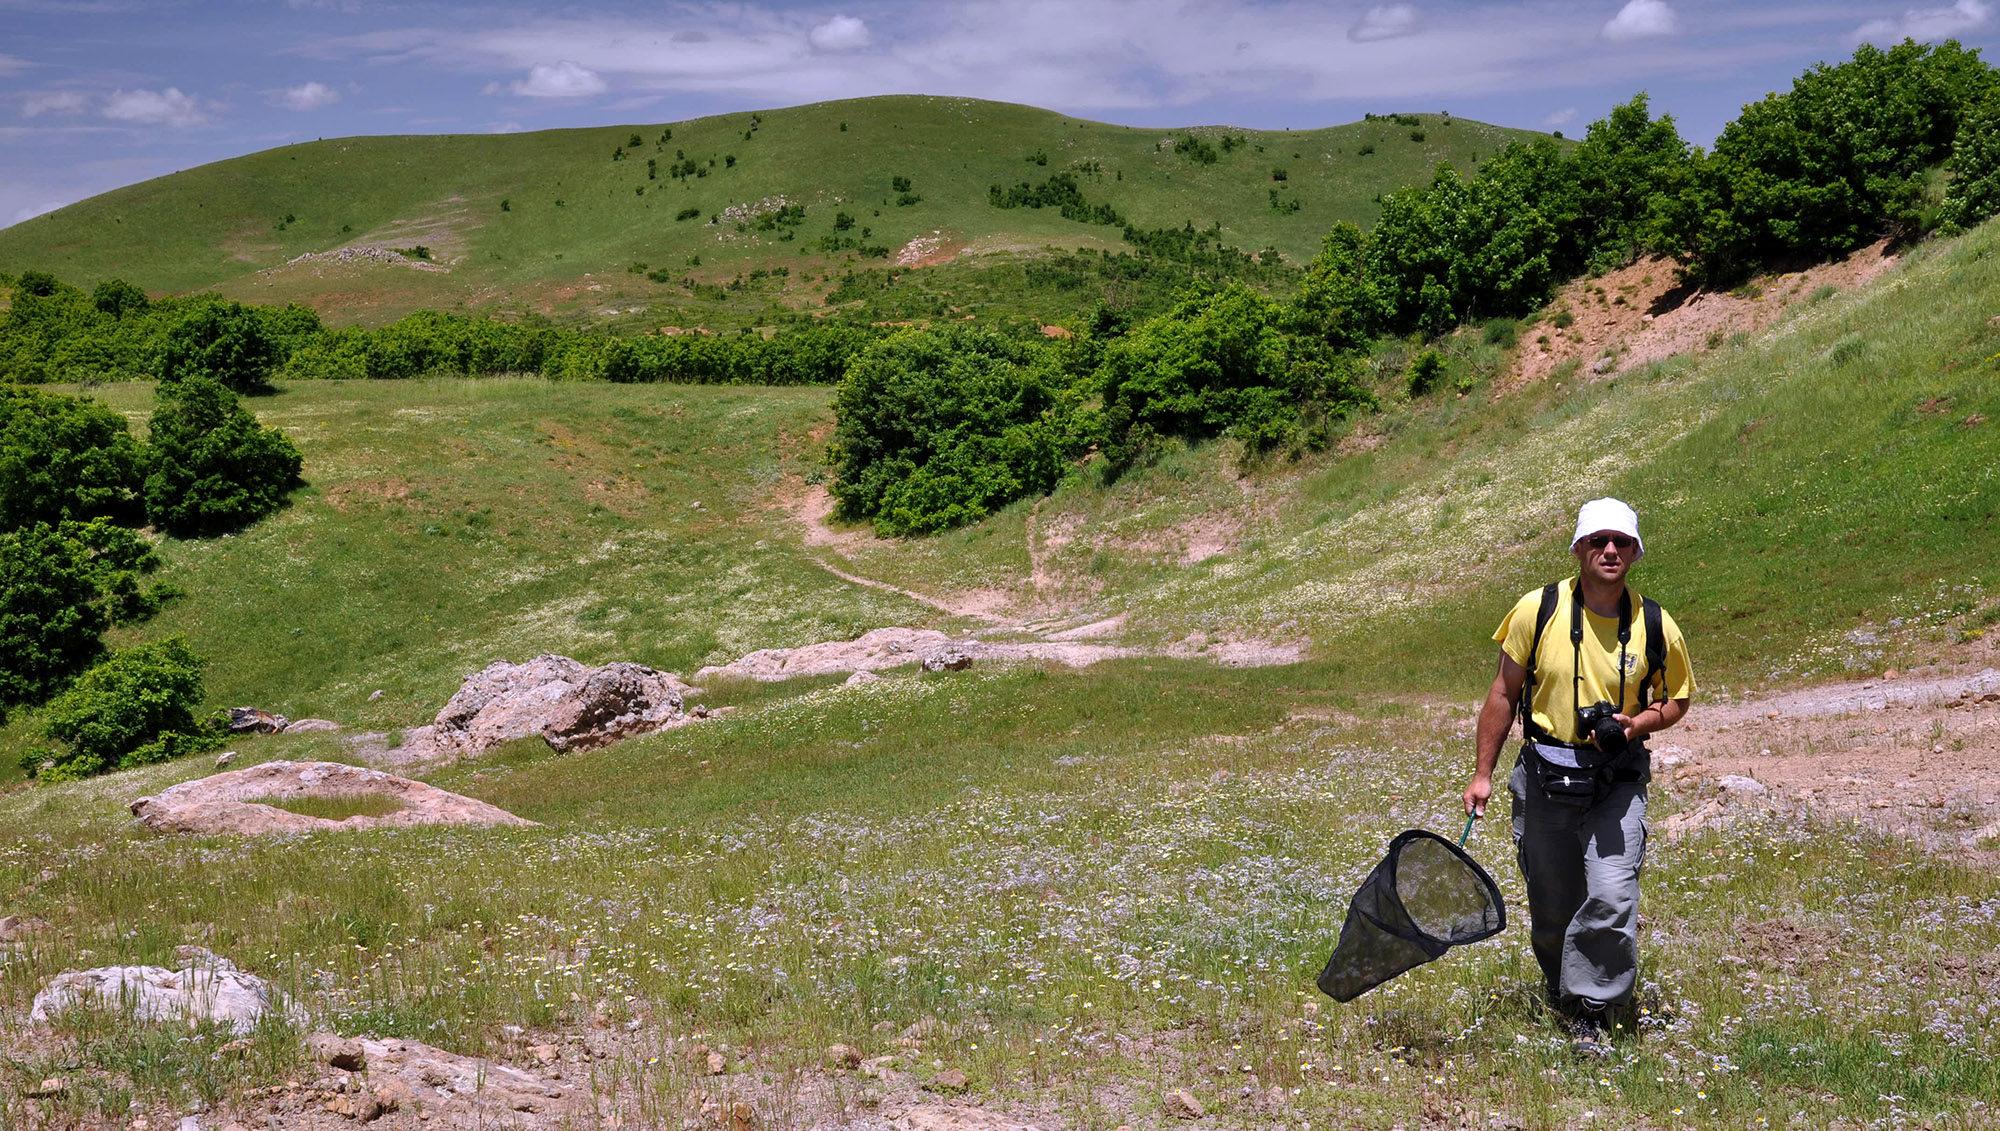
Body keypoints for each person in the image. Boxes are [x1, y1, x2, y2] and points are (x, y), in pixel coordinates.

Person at [1461, 498, 1694, 1057]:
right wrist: (1482, 774)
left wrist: (1636, 724)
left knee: (1612, 894)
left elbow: (1678, 699)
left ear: (1635, 553)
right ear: (1578, 549)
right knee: (1552, 904)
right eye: (1597, 541)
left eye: (1621, 542)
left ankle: (1594, 1009)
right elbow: (1502, 693)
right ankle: (1562, 991)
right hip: (1544, 777)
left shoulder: (1656, 623)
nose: (1609, 550)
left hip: (1616, 783)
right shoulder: (1536, 610)